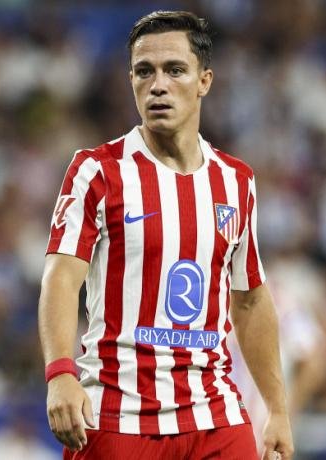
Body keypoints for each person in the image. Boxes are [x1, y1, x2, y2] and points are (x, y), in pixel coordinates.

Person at [38, 10, 294, 460]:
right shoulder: (98, 171)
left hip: (213, 415)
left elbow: (250, 300)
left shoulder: (236, 181)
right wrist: (60, 373)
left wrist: (277, 409)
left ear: (204, 81)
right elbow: (61, 277)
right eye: (144, 72)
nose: (157, 85)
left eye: (175, 70)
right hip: (118, 415)